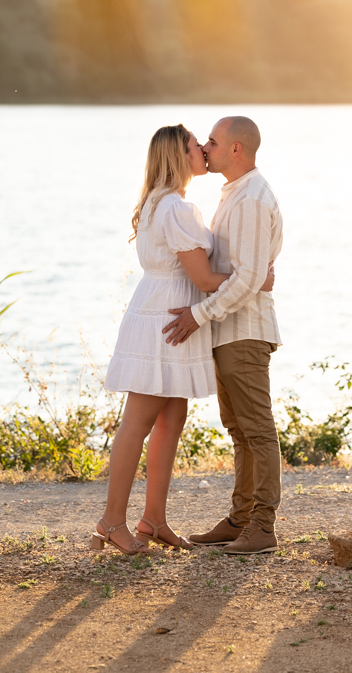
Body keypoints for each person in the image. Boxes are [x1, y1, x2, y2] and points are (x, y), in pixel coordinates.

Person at [93, 124, 274, 556]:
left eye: (207, 143)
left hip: (164, 310)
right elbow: (206, 278)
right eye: (197, 144)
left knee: (171, 420)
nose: (204, 150)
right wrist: (254, 278)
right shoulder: (177, 208)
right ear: (180, 156)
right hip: (172, 316)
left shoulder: (162, 202)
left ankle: (154, 519)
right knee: (137, 422)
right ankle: (111, 521)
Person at [164, 116, 284, 555]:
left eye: (212, 142)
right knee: (238, 430)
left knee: (256, 430)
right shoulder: (234, 194)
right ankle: (240, 518)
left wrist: (200, 314)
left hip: (245, 331)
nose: (206, 148)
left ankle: (263, 526)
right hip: (229, 330)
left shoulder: (251, 198)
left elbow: (250, 276)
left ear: (236, 149)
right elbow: (248, 271)